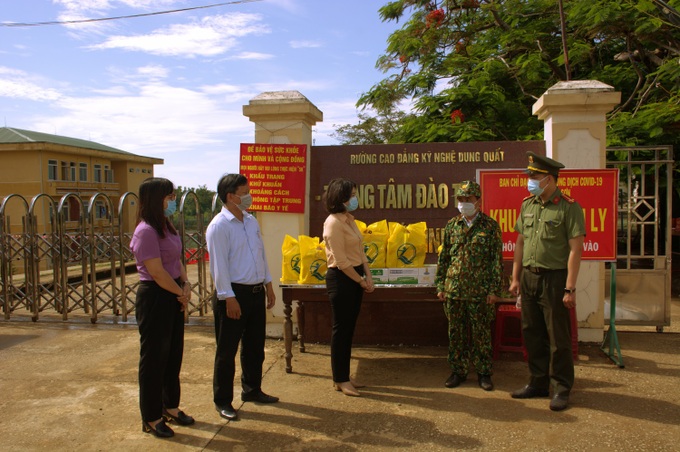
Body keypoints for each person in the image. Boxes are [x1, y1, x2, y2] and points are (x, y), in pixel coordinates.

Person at [508, 152, 586, 411]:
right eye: (529, 175)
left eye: (534, 176)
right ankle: (538, 383)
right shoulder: (527, 205)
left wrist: (570, 287)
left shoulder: (568, 206)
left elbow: (576, 249)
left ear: (549, 179)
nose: (529, 180)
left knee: (558, 337)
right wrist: (515, 277)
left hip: (555, 279)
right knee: (532, 333)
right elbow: (520, 242)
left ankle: (561, 388)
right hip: (529, 276)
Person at [206, 173, 278, 422]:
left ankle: (252, 389)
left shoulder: (251, 221)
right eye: (245, 192)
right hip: (233, 294)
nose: (249, 197)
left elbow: (260, 255)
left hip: (256, 291)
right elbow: (219, 267)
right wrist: (228, 298)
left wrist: (268, 284)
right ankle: (223, 401)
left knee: (255, 347)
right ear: (230, 196)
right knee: (226, 352)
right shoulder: (219, 226)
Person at [130, 177, 194, 438]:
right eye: (169, 197)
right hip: (156, 297)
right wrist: (180, 292)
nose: (173, 201)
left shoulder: (167, 227)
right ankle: (152, 416)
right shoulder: (145, 231)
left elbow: (176, 260)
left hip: (174, 294)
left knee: (172, 355)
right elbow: (156, 271)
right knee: (154, 359)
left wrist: (186, 283)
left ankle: (171, 406)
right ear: (156, 200)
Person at [435, 180, 503, 391]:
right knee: (456, 334)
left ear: (478, 201)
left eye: (468, 199)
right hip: (454, 290)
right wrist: (440, 286)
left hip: (480, 292)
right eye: (461, 199)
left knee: (481, 334)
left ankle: (483, 373)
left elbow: (496, 261)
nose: (464, 203)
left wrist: (494, 290)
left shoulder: (490, 227)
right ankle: (458, 371)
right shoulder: (451, 225)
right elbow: (444, 257)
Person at [322, 178, 375, 397]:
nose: (355, 198)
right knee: (341, 330)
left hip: (355, 278)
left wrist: (368, 275)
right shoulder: (333, 222)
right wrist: (361, 281)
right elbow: (341, 261)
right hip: (342, 279)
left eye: (355, 194)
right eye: (352, 195)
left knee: (348, 329)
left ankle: (343, 376)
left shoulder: (349, 219)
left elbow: (360, 252)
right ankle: (340, 379)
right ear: (341, 198)